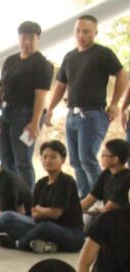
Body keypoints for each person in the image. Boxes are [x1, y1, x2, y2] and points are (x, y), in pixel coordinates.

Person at [44, 15, 128, 198]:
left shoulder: (103, 53)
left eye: (86, 32)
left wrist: (115, 103)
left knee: (87, 159)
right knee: (75, 161)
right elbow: (60, 85)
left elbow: (122, 75)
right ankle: (84, 199)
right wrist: (50, 108)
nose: (81, 35)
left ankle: (102, 199)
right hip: (72, 114)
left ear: (95, 33)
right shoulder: (70, 56)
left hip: (92, 114)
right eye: (78, 31)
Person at [0, 140, 84, 253]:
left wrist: (40, 209)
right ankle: (45, 244)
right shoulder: (40, 183)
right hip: (41, 226)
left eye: (53, 157)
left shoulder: (66, 181)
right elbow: (34, 214)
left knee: (46, 227)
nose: (48, 160)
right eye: (45, 157)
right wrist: (42, 211)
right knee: (6, 217)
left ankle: (19, 243)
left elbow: (55, 213)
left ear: (63, 160)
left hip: (69, 232)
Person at [0, 21, 53, 190]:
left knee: (22, 160)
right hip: (5, 112)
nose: (27, 42)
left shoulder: (42, 64)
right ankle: (11, 195)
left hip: (26, 114)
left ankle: (28, 198)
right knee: (5, 159)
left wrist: (35, 122)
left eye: (31, 38)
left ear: (38, 39)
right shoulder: (10, 60)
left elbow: (40, 95)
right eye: (23, 38)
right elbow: (1, 87)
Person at [79, 139, 130, 215]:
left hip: (120, 217)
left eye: (104, 155)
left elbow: (109, 207)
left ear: (115, 159)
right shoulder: (106, 173)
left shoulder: (126, 178)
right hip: (107, 214)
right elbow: (91, 198)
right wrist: (73, 211)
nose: (101, 157)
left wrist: (94, 212)